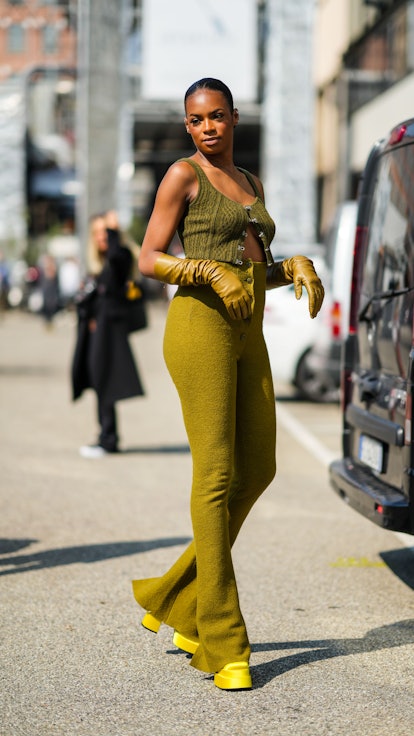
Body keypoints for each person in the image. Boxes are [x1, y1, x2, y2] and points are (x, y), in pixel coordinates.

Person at [132, 78, 324, 690]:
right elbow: (149, 258)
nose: (207, 127)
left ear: (234, 118)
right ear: (188, 126)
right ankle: (222, 639)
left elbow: (250, 273)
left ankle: (175, 598)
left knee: (258, 468)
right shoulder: (181, 177)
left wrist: (286, 266)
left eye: (216, 116)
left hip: (248, 334)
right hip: (198, 330)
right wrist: (206, 269)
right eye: (196, 119)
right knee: (215, 475)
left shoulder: (251, 184)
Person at [71, 210, 144, 458]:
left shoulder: (119, 256)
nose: (100, 237)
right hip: (97, 334)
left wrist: (114, 231)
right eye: (96, 233)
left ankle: (109, 440)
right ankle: (105, 435)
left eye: (104, 232)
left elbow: (116, 254)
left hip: (110, 334)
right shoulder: (100, 264)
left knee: (104, 381)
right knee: (99, 381)